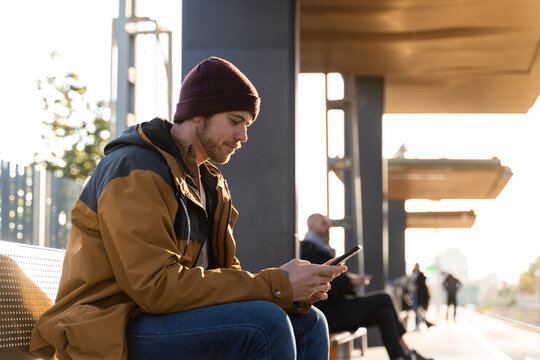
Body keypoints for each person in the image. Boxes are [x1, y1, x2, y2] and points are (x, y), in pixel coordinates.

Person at [30, 57, 347, 360]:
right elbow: (155, 288)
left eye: (247, 125)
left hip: (158, 320)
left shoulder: (208, 183)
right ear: (199, 113)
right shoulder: (135, 169)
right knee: (263, 325)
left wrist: (288, 293)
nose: (243, 136)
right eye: (235, 121)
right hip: (108, 326)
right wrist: (275, 284)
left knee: (309, 324)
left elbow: (221, 277)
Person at [300, 214, 434, 360]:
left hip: (337, 308)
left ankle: (401, 357)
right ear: (311, 226)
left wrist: (351, 279)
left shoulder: (321, 249)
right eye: (323, 224)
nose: (328, 227)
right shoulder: (308, 250)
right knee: (384, 297)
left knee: (385, 315)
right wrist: (350, 281)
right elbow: (324, 279)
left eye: (328, 223)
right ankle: (407, 352)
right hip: (329, 312)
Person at [408, 263, 434, 330]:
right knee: (417, 310)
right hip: (416, 293)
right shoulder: (417, 274)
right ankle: (423, 323)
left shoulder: (417, 274)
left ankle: (420, 323)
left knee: (417, 310)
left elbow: (412, 281)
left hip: (417, 293)